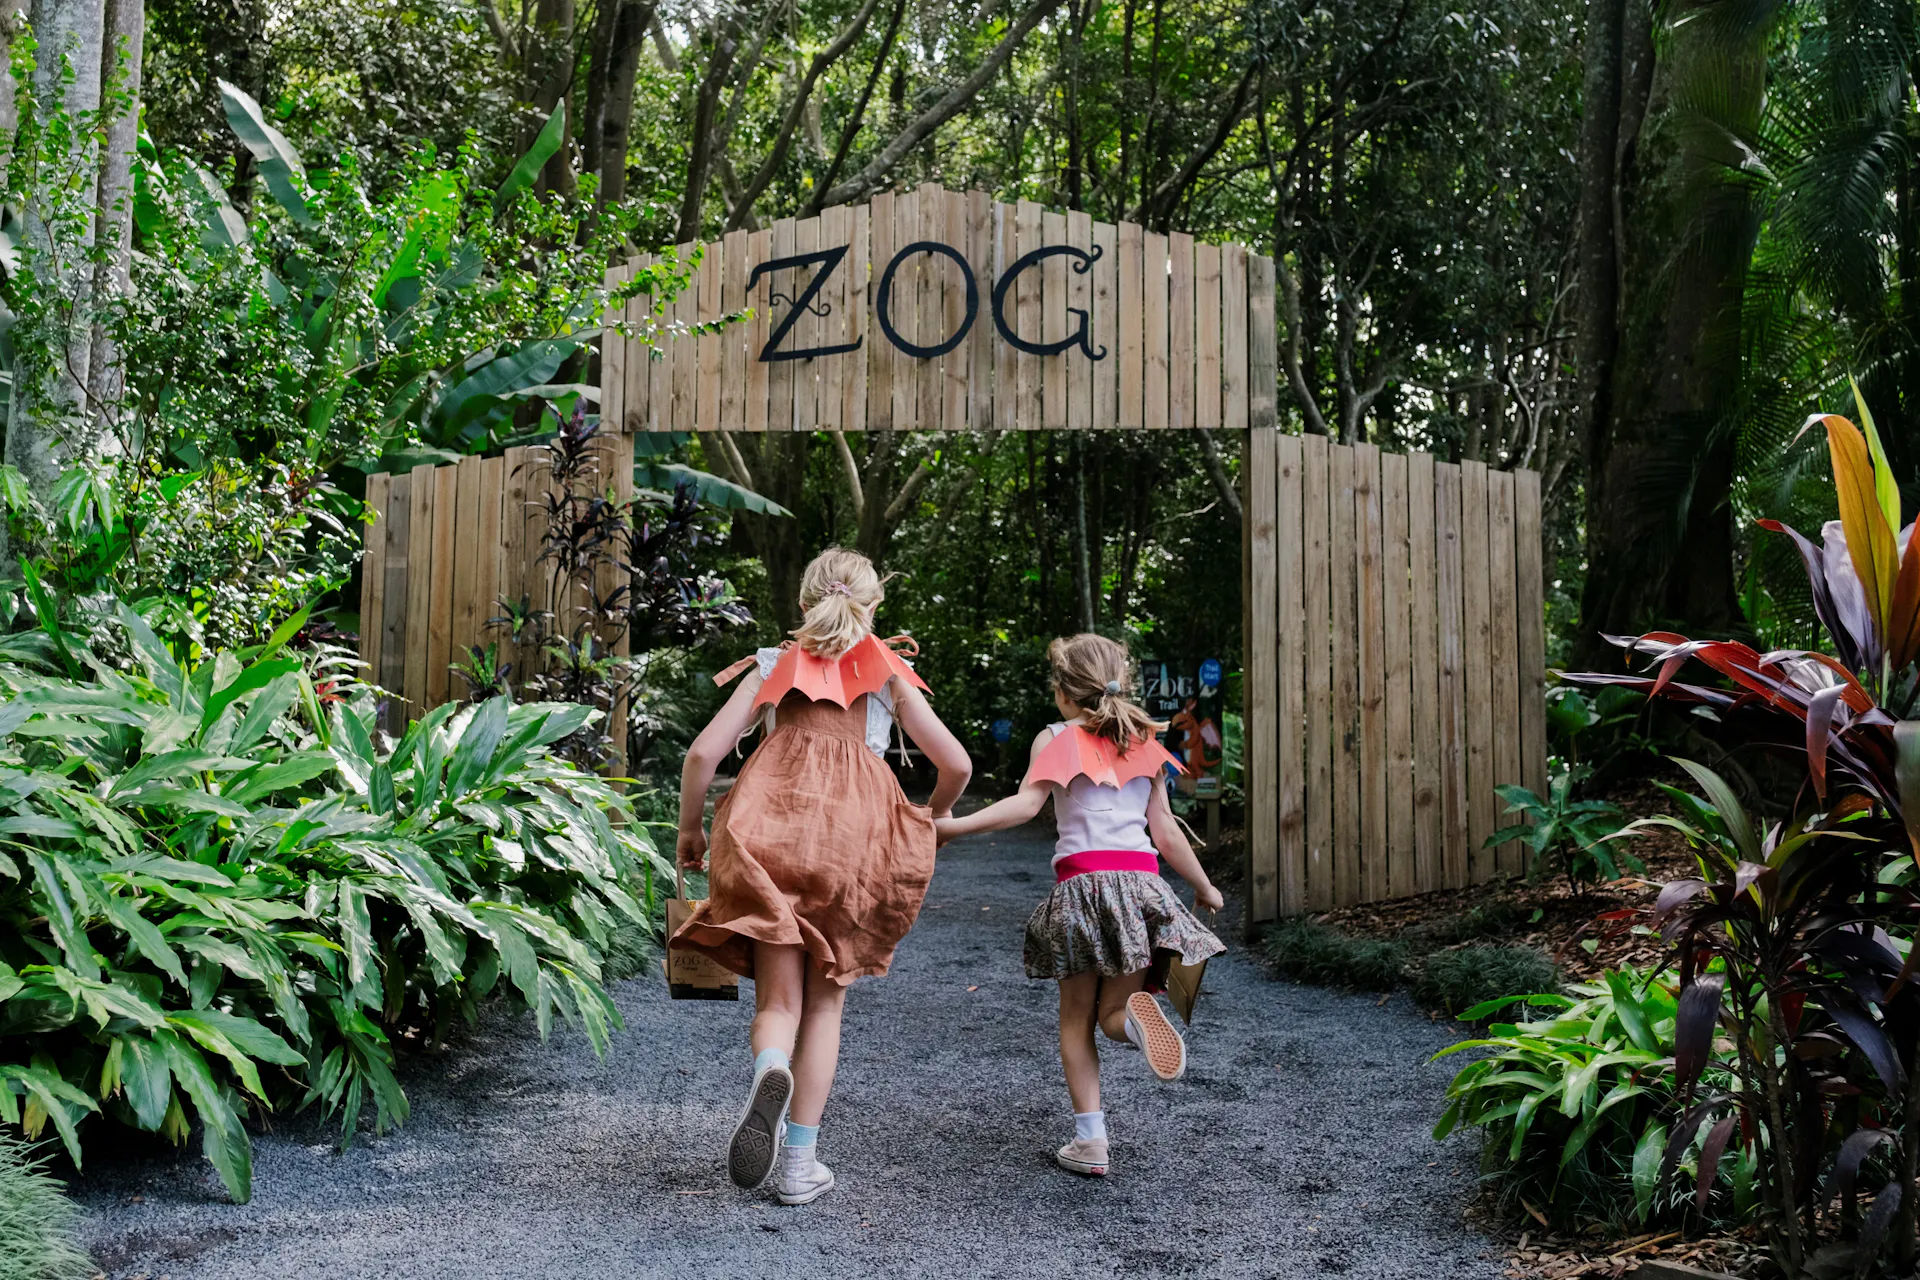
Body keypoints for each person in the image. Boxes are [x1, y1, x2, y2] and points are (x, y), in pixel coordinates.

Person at [672, 548, 970, 1205]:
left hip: (768, 833)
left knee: (779, 1003)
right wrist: (929, 815)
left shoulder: (773, 664)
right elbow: (957, 764)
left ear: (804, 604)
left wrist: (690, 829)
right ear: (874, 608)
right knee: (826, 1003)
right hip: (851, 846)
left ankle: (769, 1067)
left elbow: (702, 754)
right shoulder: (888, 671)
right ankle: (801, 1165)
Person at [933, 634, 1225, 1177]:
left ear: (1066, 694)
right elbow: (1163, 830)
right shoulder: (1144, 742)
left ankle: (1091, 1141)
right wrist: (1204, 885)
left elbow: (1025, 805)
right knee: (1114, 1012)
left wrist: (952, 827)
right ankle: (1137, 1022)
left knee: (1075, 1021)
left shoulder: (1054, 737)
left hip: (1084, 889)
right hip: (1142, 892)